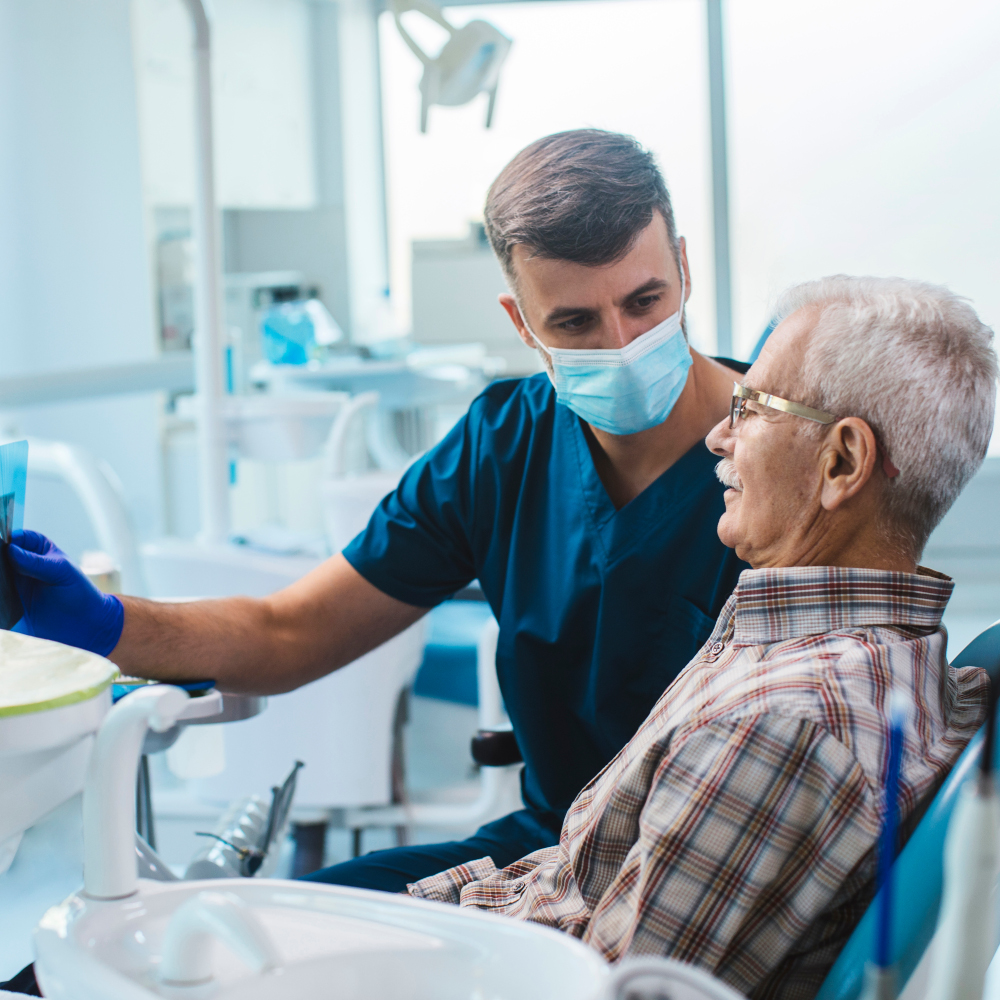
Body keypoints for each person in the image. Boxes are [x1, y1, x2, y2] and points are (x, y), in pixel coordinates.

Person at [9, 130, 749, 891]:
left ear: (685, 270)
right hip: (555, 843)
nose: (621, 342)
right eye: (574, 323)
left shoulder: (784, 453)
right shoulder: (502, 449)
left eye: (644, 301)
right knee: (275, 927)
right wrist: (101, 624)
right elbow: (290, 631)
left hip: (711, 860)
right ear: (520, 321)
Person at [405, 275, 996, 998]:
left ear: (841, 462)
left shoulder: (781, 727)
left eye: (750, 408)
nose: (719, 434)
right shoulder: (852, 654)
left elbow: (607, 989)